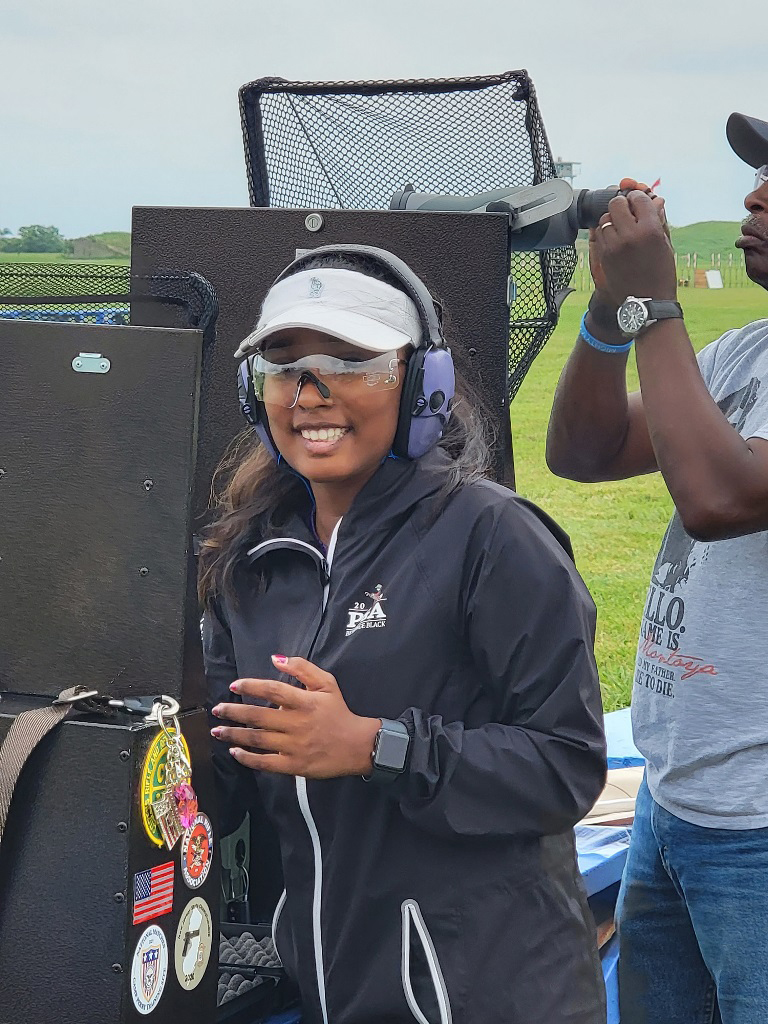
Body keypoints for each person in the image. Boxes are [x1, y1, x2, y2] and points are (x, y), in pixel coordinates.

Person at [199, 244, 607, 1024]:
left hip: (496, 996)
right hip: (337, 991)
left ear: (422, 385)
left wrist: (374, 747)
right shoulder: (248, 564)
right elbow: (228, 766)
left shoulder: (494, 537)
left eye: (349, 363)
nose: (311, 393)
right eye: (285, 368)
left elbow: (567, 765)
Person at [546, 114, 768, 1024]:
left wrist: (660, 306)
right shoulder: (747, 352)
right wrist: (609, 315)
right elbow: (585, 450)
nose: (752, 197)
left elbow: (718, 498)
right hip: (677, 804)